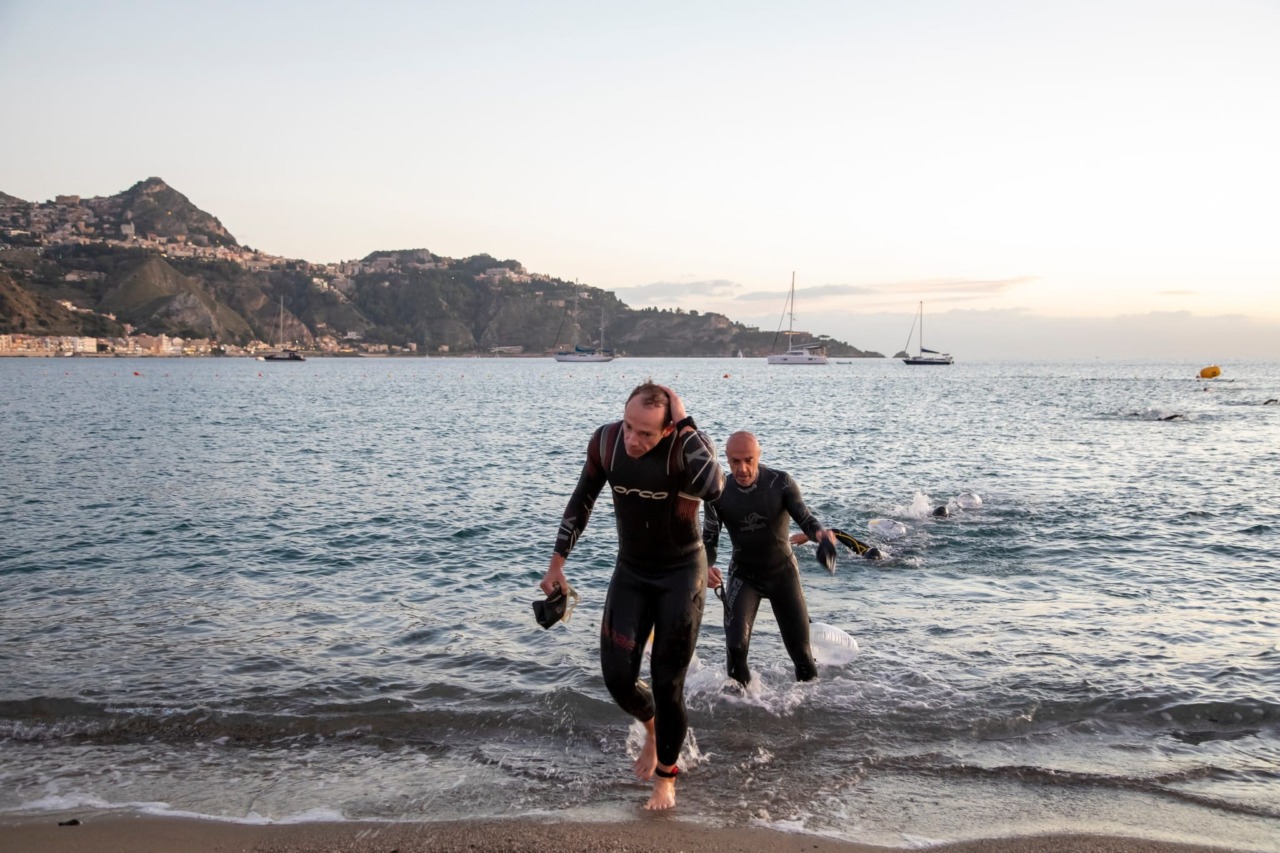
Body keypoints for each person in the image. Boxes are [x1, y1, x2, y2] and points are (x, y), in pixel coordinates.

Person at [540, 382, 724, 811]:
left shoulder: (686, 446)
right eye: (629, 426)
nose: (633, 440)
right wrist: (556, 564)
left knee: (667, 682)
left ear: (668, 427)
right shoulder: (606, 443)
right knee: (618, 678)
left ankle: (666, 777)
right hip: (633, 571)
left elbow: (714, 488)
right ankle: (652, 729)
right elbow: (582, 499)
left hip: (683, 573)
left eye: (645, 433)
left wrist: (687, 422)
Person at [703, 431, 836, 688]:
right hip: (744, 576)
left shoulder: (780, 482)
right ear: (727, 460)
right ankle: (742, 713)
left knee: (802, 655)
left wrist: (820, 534)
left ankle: (810, 717)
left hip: (782, 574)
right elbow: (709, 539)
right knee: (735, 651)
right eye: (735, 461)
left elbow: (805, 518)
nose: (742, 468)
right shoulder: (717, 492)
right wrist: (706, 566)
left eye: (748, 460)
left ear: (759, 456)